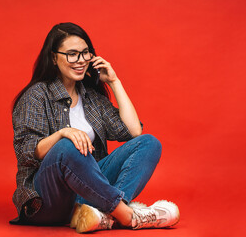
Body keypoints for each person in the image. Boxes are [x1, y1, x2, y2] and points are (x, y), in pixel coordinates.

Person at [10, 22, 180, 233]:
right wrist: (63, 133)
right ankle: (127, 215)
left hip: (87, 195)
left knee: (149, 143)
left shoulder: (90, 97)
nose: (81, 60)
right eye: (72, 54)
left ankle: (104, 215)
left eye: (85, 53)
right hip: (48, 200)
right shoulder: (36, 96)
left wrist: (115, 81)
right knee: (67, 146)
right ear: (54, 57)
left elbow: (133, 131)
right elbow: (26, 152)